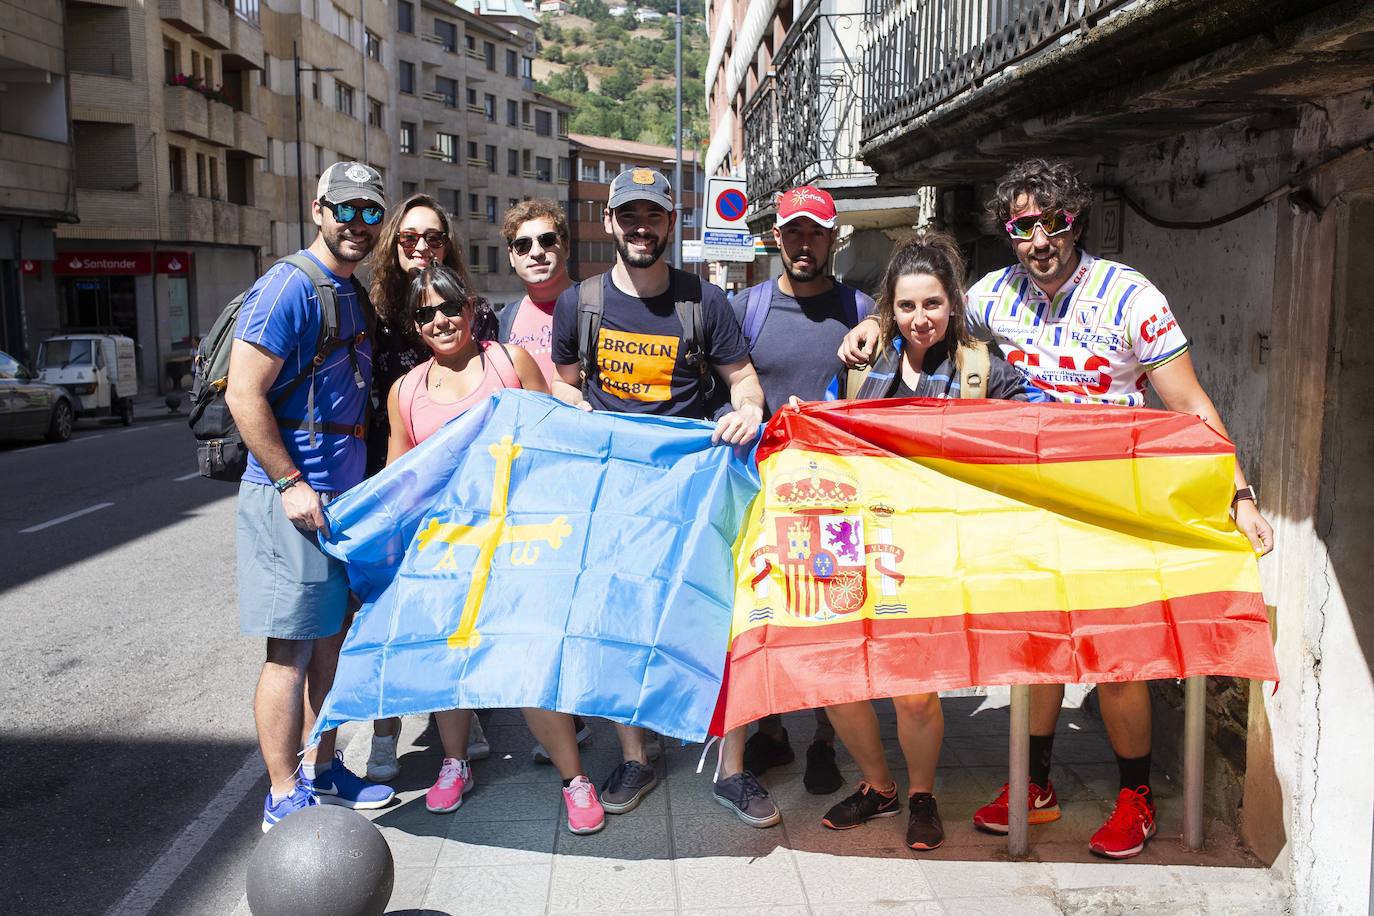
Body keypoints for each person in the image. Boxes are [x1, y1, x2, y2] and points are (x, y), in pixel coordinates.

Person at [837, 158, 1275, 859]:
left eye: (1054, 222)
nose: (1039, 240)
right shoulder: (992, 294)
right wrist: (871, 326)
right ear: (1007, 231)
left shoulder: (1130, 296)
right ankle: (1036, 786)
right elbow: (926, 309)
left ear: (1076, 220)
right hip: (1033, 505)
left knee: (1117, 657)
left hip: (1115, 500)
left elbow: (1190, 403)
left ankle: (1136, 798)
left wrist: (1240, 493)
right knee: (1035, 645)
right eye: (1023, 226)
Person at [549, 167, 767, 824]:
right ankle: (635, 757)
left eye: (653, 215)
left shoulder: (705, 301)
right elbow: (561, 382)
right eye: (630, 215)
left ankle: (732, 769)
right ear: (610, 222)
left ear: (672, 223)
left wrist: (749, 410)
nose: (641, 227)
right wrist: (573, 404)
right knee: (618, 624)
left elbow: (743, 380)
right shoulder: (579, 303)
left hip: (693, 494)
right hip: (614, 494)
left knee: (722, 622)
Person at [817, 231, 1027, 851]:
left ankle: (922, 795)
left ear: (953, 303)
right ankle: (878, 786)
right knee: (839, 680)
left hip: (936, 546)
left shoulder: (983, 370)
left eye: (932, 303)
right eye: (906, 306)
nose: (920, 319)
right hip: (858, 539)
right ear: (890, 307)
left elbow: (1033, 430)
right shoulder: (861, 365)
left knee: (914, 690)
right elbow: (828, 433)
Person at [383, 262, 605, 832]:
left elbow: (554, 443)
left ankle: (574, 778)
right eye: (426, 314)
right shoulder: (405, 392)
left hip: (519, 543)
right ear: (415, 325)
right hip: (448, 550)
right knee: (451, 661)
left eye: (449, 307)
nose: (440, 321)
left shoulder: (509, 362)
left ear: (469, 308)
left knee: (526, 660)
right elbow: (399, 480)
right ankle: (454, 764)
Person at [226, 161, 396, 831]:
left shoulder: (350, 291)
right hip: (293, 500)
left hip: (340, 501)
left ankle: (322, 768)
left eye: (369, 211)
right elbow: (244, 393)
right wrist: (291, 483)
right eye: (344, 209)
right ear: (319, 209)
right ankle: (281, 792)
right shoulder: (287, 286)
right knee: (289, 653)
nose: (357, 223)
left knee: (331, 644)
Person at [716, 185, 877, 813]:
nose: (804, 244)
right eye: (793, 232)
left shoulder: (860, 309)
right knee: (766, 614)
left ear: (833, 238)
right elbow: (723, 391)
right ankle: (773, 731)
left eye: (815, 232)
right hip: (762, 493)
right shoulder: (746, 309)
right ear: (776, 237)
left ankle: (825, 741)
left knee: (833, 617)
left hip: (838, 497)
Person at [362, 194, 494, 783]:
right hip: (386, 465)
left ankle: (466, 716)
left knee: (456, 612)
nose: (422, 247)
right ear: (393, 242)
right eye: (410, 237)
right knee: (389, 609)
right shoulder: (372, 312)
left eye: (434, 237)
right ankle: (384, 731)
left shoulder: (471, 310)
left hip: (460, 490)